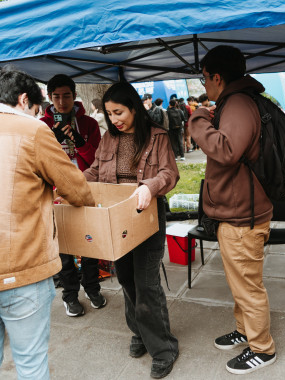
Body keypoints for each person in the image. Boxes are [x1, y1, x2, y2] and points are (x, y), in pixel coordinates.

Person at [0, 67, 95, 379]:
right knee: (30, 363)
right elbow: (77, 189)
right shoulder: (32, 129)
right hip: (20, 268)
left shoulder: (86, 123)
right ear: (25, 99)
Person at [188, 45, 276, 375]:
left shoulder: (238, 103)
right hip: (238, 212)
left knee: (249, 288)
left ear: (217, 77)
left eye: (205, 78)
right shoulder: (238, 100)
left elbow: (226, 150)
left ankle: (262, 348)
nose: (204, 84)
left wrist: (197, 119)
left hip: (243, 216)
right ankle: (245, 330)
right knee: (240, 283)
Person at [83, 81, 179, 379]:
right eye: (109, 114)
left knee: (147, 282)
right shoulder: (108, 139)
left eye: (119, 112)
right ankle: (139, 332)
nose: (114, 119)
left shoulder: (157, 136)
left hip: (147, 216)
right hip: (117, 219)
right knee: (124, 276)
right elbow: (96, 172)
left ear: (135, 108)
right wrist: (73, 182)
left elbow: (169, 173)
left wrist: (149, 187)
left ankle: (163, 348)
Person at [41, 74, 105, 317]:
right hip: (56, 193)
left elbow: (98, 160)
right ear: (49, 97)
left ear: (74, 95)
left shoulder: (88, 123)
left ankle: (92, 287)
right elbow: (40, 162)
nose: (61, 101)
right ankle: (70, 294)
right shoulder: (41, 125)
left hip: (86, 188)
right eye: (56, 96)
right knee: (64, 245)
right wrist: (54, 143)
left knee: (91, 240)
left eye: (66, 95)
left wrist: (79, 142)